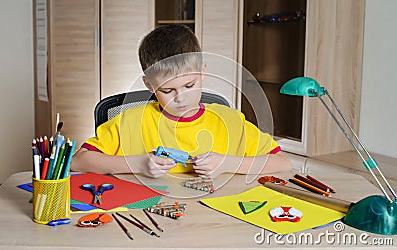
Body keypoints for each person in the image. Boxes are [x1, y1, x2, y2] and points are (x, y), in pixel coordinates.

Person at [71, 24, 292, 178]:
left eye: (189, 85)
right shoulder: (130, 121)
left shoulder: (230, 121)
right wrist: (137, 164)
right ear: (149, 85)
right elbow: (77, 161)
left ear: (203, 72)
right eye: (167, 90)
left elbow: (283, 162)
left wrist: (227, 163)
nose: (181, 98)